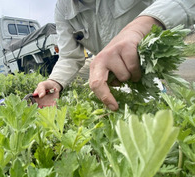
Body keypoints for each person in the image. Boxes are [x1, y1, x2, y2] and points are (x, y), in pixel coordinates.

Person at [33, 0, 195, 110]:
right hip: (108, 68)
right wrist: (54, 82)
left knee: (153, 107)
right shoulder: (63, 9)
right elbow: (70, 56)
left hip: (145, 65)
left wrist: (139, 28)